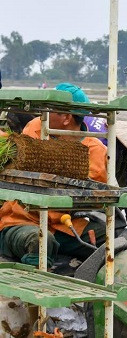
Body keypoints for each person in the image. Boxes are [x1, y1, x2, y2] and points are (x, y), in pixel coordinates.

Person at [0, 83, 108, 267]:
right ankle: (35, 283)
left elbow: (92, 198)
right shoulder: (35, 127)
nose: (44, 113)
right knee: (41, 240)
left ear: (66, 118)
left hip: (65, 224)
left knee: (110, 236)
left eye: (50, 109)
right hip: (23, 219)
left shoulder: (96, 150)